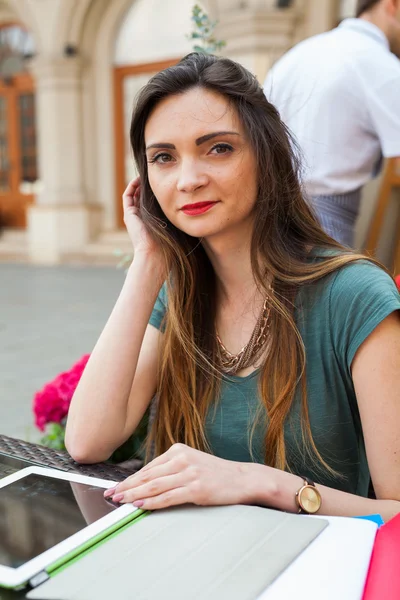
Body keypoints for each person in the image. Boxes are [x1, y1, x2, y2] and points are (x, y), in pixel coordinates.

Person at [65, 52, 400, 522]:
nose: (188, 180)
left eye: (218, 148)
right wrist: (147, 263)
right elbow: (87, 440)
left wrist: (258, 482)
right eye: (164, 157)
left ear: (266, 154)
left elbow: (398, 511)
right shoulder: (178, 292)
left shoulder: (354, 295)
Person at [263, 0, 400, 247]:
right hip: (325, 223)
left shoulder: (298, 54)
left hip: (267, 219)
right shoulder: (382, 65)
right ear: (393, 4)